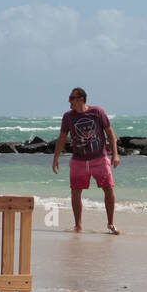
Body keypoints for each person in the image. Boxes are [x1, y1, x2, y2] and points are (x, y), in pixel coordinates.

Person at [51, 87, 120, 233]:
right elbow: (62, 137)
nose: (69, 101)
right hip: (78, 160)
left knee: (108, 189)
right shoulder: (68, 116)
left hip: (99, 158)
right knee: (75, 191)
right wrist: (55, 157)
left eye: (71, 98)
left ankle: (111, 223)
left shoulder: (97, 112)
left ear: (80, 99)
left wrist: (115, 154)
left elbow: (110, 133)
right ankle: (78, 225)